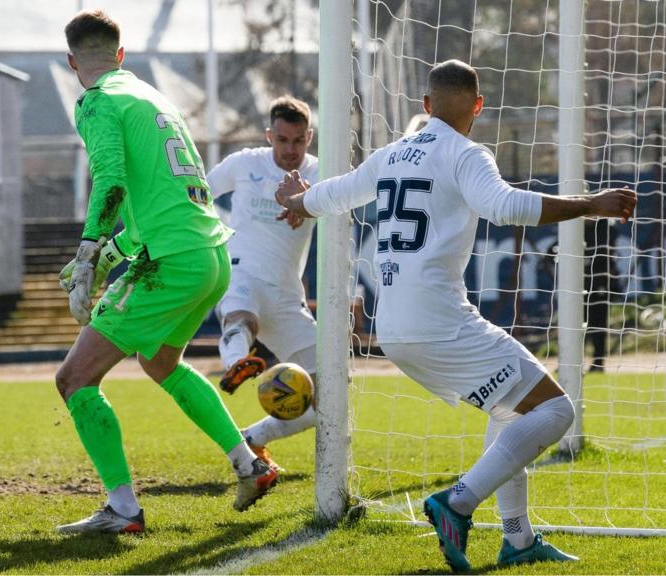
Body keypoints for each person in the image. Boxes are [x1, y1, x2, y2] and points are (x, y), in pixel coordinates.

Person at [275, 59, 636, 571]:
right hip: (440, 320)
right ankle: (457, 503)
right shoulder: (467, 153)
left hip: (393, 328)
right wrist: (592, 203)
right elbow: (506, 206)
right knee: (556, 412)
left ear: (425, 105)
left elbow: (339, 192)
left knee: (511, 412)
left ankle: (518, 540)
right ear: (479, 107)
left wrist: (300, 201)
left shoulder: (390, 154)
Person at [54, 9, 277, 534]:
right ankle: (249, 464)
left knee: (73, 378)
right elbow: (160, 203)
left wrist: (89, 252)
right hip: (209, 256)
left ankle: (123, 509)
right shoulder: (156, 100)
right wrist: (111, 253)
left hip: (171, 262)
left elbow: (108, 179)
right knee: (159, 362)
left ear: (71, 63)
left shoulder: (98, 100)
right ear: (122, 54)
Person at [207, 95, 320, 469]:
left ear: (310, 136)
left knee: (332, 397)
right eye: (283, 139)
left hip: (288, 297)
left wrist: (303, 203)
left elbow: (339, 219)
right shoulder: (244, 164)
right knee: (240, 315)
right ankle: (238, 361)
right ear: (269, 135)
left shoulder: (319, 174)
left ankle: (253, 438)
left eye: (299, 140)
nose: (290, 149)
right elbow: (199, 195)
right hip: (240, 270)